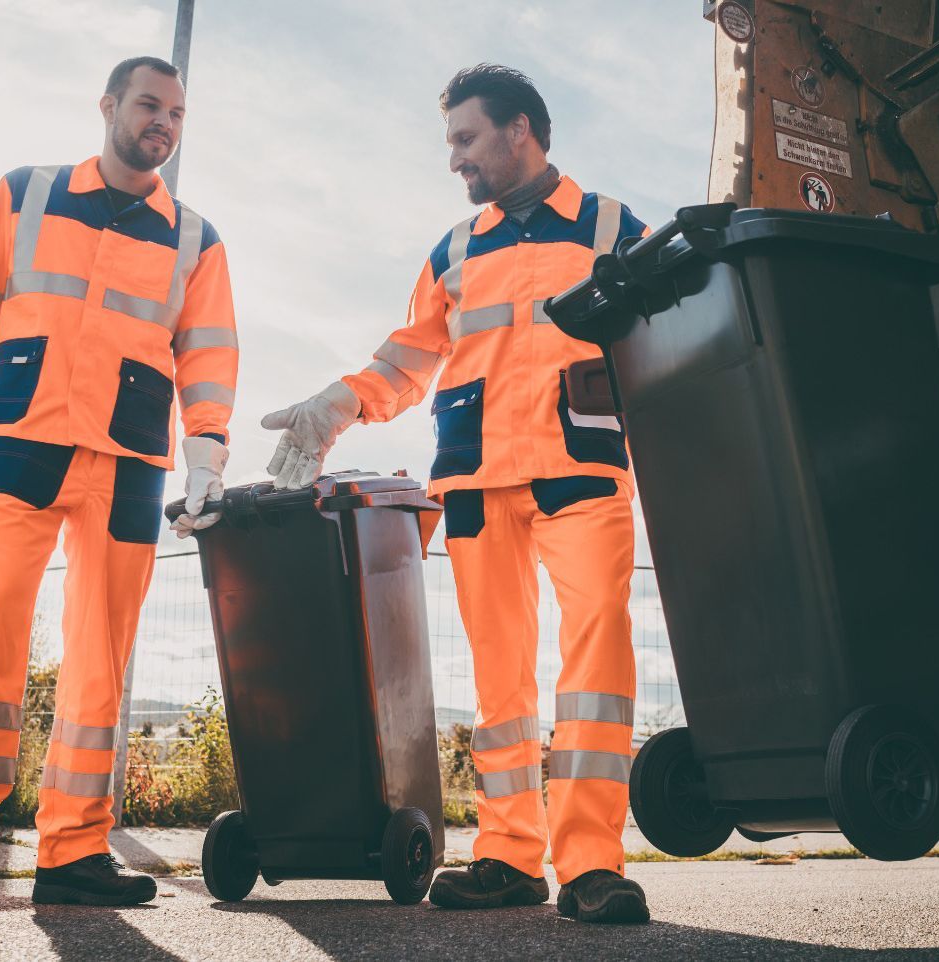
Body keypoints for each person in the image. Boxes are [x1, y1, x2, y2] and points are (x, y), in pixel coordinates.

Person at [262, 64, 650, 924]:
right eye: (451, 143)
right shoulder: (455, 249)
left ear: (520, 131)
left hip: (577, 469)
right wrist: (340, 404)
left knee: (596, 666)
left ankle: (591, 863)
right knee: (499, 678)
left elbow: (668, 346)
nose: (455, 160)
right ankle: (511, 855)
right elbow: (408, 358)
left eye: (466, 140)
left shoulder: (615, 228)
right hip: (474, 481)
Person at [0, 56, 238, 906]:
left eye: (176, 112)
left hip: (129, 458)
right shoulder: (24, 193)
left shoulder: (196, 239)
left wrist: (206, 452)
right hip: (17, 438)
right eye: (148, 105)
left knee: (101, 665)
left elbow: (207, 355)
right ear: (109, 106)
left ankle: (70, 853)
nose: (163, 122)